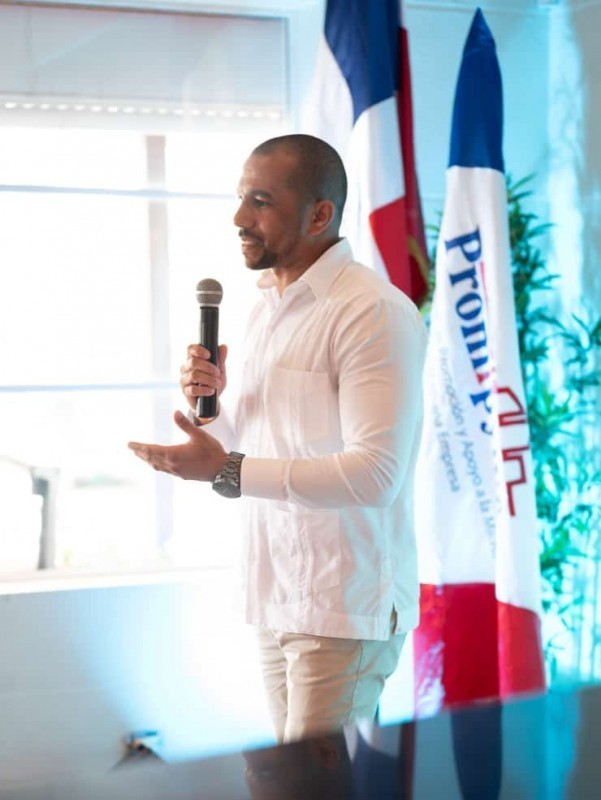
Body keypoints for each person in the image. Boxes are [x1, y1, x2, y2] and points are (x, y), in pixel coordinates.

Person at [128, 134, 427, 743]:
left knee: (318, 786)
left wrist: (227, 470)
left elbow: (375, 474)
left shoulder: (370, 311)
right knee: (290, 783)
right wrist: (210, 410)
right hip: (275, 595)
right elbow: (258, 443)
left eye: (261, 201)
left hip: (342, 608)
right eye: (241, 198)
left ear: (319, 214)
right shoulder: (267, 307)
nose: (239, 217)